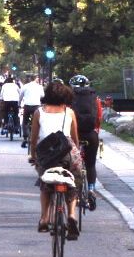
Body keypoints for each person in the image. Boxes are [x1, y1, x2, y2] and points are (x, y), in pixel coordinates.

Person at [29, 80, 85, 237]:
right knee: (74, 182)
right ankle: (72, 215)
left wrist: (34, 156)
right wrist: (76, 154)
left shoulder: (39, 112)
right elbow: (75, 139)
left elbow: (33, 140)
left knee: (45, 183)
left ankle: (44, 218)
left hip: (47, 154)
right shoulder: (69, 112)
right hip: (68, 152)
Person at [68, 74, 103, 209]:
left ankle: (73, 190)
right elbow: (99, 118)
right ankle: (91, 189)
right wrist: (95, 130)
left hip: (74, 134)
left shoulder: (69, 98)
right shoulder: (95, 98)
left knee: (69, 163)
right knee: (90, 164)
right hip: (90, 134)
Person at [18, 74, 46, 149]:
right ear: (36, 79)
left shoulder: (25, 86)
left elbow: (20, 96)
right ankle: (37, 136)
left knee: (25, 122)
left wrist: (19, 104)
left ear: (30, 79)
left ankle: (25, 138)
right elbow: (43, 96)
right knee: (37, 122)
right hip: (36, 106)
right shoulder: (39, 87)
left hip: (27, 106)